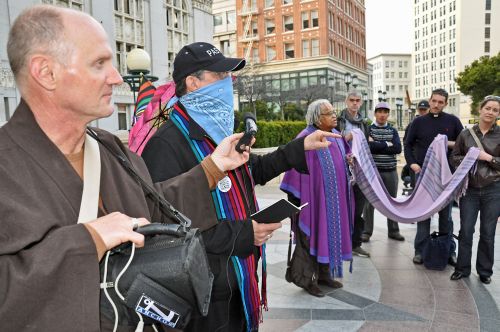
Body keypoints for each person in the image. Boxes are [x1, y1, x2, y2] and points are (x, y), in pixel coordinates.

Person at [0, 6, 252, 331]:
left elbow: (151, 209)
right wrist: (87, 240)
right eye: (99, 63)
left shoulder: (109, 148)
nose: (116, 77)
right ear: (45, 72)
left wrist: (213, 167)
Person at [141, 42, 339, 331]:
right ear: (193, 83)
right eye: (220, 76)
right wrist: (244, 233)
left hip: (237, 282)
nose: (228, 83)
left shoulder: (215, 131)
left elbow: (252, 170)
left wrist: (300, 146)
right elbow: (164, 225)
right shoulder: (166, 143)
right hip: (203, 295)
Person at [280, 100, 353, 297]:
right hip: (311, 202)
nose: (334, 115)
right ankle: (307, 279)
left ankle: (323, 275)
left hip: (333, 201)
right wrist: (299, 203)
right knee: (310, 238)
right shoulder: (305, 138)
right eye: (328, 113)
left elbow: (346, 154)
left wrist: (349, 159)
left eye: (333, 112)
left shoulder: (335, 136)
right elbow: (293, 170)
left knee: (328, 235)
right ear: (316, 119)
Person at [404, 89, 463, 265]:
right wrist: (412, 164)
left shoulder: (453, 121)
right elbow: (407, 145)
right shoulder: (418, 122)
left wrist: (446, 142)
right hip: (420, 173)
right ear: (429, 101)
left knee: (446, 216)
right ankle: (420, 250)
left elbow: (462, 144)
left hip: (445, 176)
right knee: (423, 214)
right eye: (434, 101)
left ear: (445, 103)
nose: (436, 105)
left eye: (440, 102)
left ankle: (448, 250)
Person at [450, 96, 500, 284]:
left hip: (493, 189)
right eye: (488, 108)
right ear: (480, 109)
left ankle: (485, 271)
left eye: (495, 110)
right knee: (466, 230)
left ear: (498, 114)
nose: (490, 112)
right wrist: (471, 157)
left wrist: (488, 158)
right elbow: (454, 159)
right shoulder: (466, 134)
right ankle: (462, 268)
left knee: (488, 232)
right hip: (469, 190)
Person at [361, 102, 404, 243]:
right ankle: (366, 231)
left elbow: (397, 148)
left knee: (392, 201)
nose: (382, 114)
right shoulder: (368, 129)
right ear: (375, 113)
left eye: (385, 112)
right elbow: (368, 147)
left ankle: (394, 231)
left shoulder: (393, 131)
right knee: (369, 203)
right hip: (373, 172)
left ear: (388, 114)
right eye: (379, 111)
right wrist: (387, 144)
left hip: (390, 171)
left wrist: (377, 144)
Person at [336, 90, 371, 258]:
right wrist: (346, 138)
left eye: (358, 100)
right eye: (352, 100)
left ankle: (355, 243)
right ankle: (341, 242)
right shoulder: (337, 121)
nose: (355, 103)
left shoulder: (364, 123)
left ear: (361, 103)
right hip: (341, 170)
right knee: (341, 207)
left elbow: (367, 146)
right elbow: (332, 142)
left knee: (358, 208)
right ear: (346, 101)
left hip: (359, 170)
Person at [401, 100, 430, 195]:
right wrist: (411, 160)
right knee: (416, 190)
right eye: (421, 109)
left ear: (428, 109)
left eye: (424, 110)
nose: (422, 111)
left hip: (430, 162)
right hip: (416, 162)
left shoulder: (432, 123)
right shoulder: (412, 124)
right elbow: (406, 143)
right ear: (418, 110)